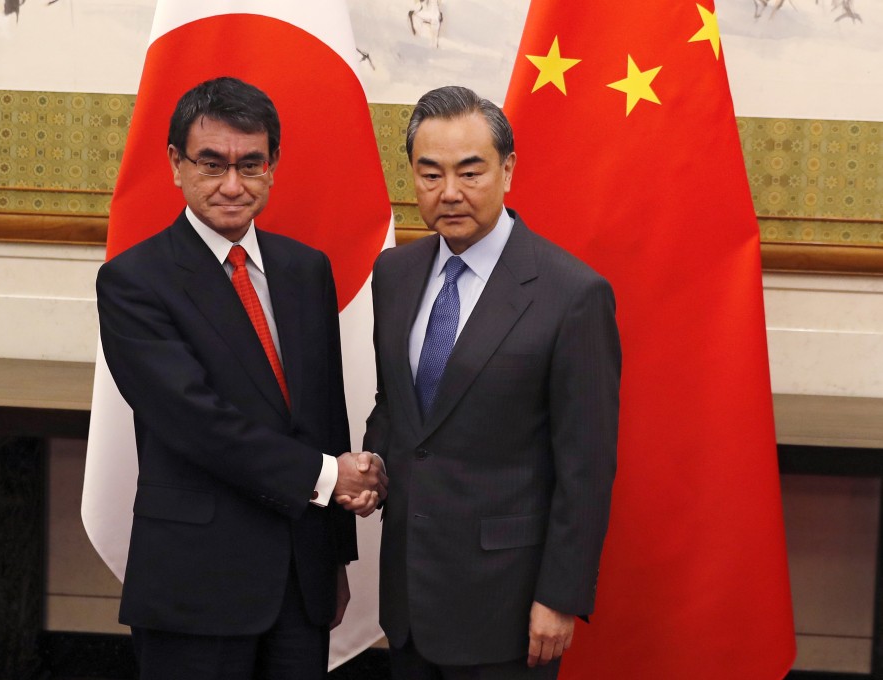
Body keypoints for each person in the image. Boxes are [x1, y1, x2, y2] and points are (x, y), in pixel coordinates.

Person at [96, 77, 386, 680]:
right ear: (176, 163)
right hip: (196, 586)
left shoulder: (305, 270)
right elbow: (196, 422)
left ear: (273, 166)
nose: (233, 185)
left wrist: (333, 556)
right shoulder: (134, 281)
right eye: (212, 163)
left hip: (301, 584)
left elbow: (323, 415)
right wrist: (331, 477)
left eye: (251, 164)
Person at [361, 85, 621, 679]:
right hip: (409, 592)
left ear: (507, 169)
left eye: (469, 172)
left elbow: (587, 465)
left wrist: (560, 596)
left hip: (508, 603)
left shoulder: (571, 294)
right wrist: (374, 462)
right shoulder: (394, 273)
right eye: (430, 174)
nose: (449, 193)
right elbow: (399, 407)